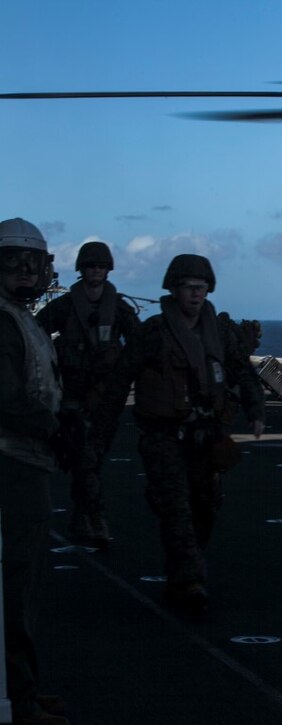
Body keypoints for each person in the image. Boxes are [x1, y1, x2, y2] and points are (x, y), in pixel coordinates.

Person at [99, 254, 265, 616]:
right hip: (163, 436)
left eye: (202, 288)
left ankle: (182, 573)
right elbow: (119, 380)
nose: (196, 294)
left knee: (205, 507)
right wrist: (102, 430)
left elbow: (242, 370)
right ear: (173, 289)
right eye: (189, 287)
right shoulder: (153, 332)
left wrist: (256, 411)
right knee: (176, 509)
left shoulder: (220, 333)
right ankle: (190, 581)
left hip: (207, 436)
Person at [0, 218, 70, 724]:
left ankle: (22, 689)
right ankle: (18, 701)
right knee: (16, 588)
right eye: (14, 264)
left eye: (33, 265)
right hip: (14, 464)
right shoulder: (6, 322)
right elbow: (5, 401)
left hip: (27, 461)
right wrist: (55, 428)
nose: (26, 274)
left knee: (23, 588)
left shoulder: (21, 319)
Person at [36, 241, 139, 548]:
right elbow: (36, 332)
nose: (96, 271)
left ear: (108, 270)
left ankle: (83, 516)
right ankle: (93, 518)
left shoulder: (119, 308)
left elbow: (138, 344)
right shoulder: (65, 306)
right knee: (86, 458)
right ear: (81, 270)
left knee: (90, 460)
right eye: (91, 266)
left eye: (101, 266)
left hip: (106, 398)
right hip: (72, 397)